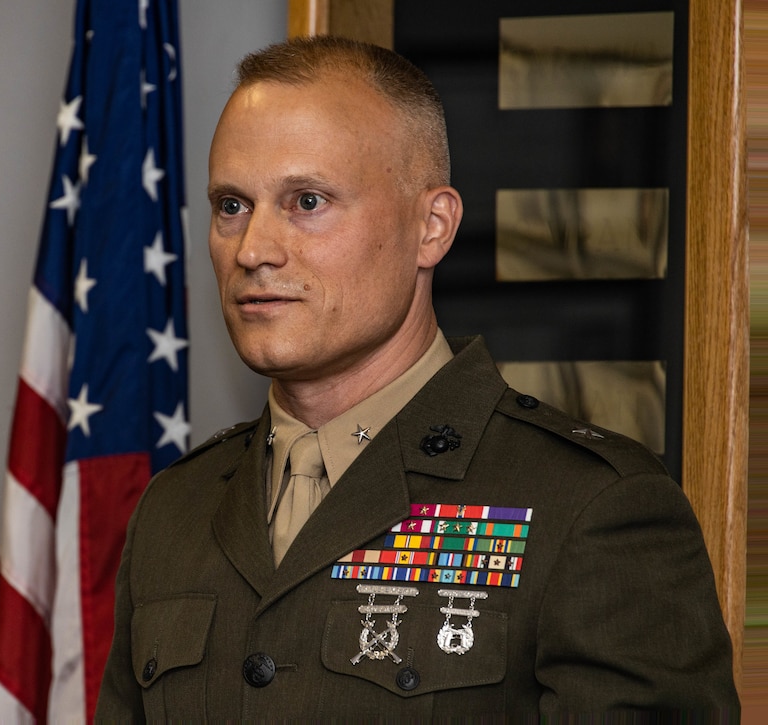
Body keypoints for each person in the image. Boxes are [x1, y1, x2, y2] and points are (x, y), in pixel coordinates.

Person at [95, 35, 739, 719]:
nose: (253, 249)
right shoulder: (175, 509)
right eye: (231, 205)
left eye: (307, 201)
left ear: (432, 227)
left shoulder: (589, 508)